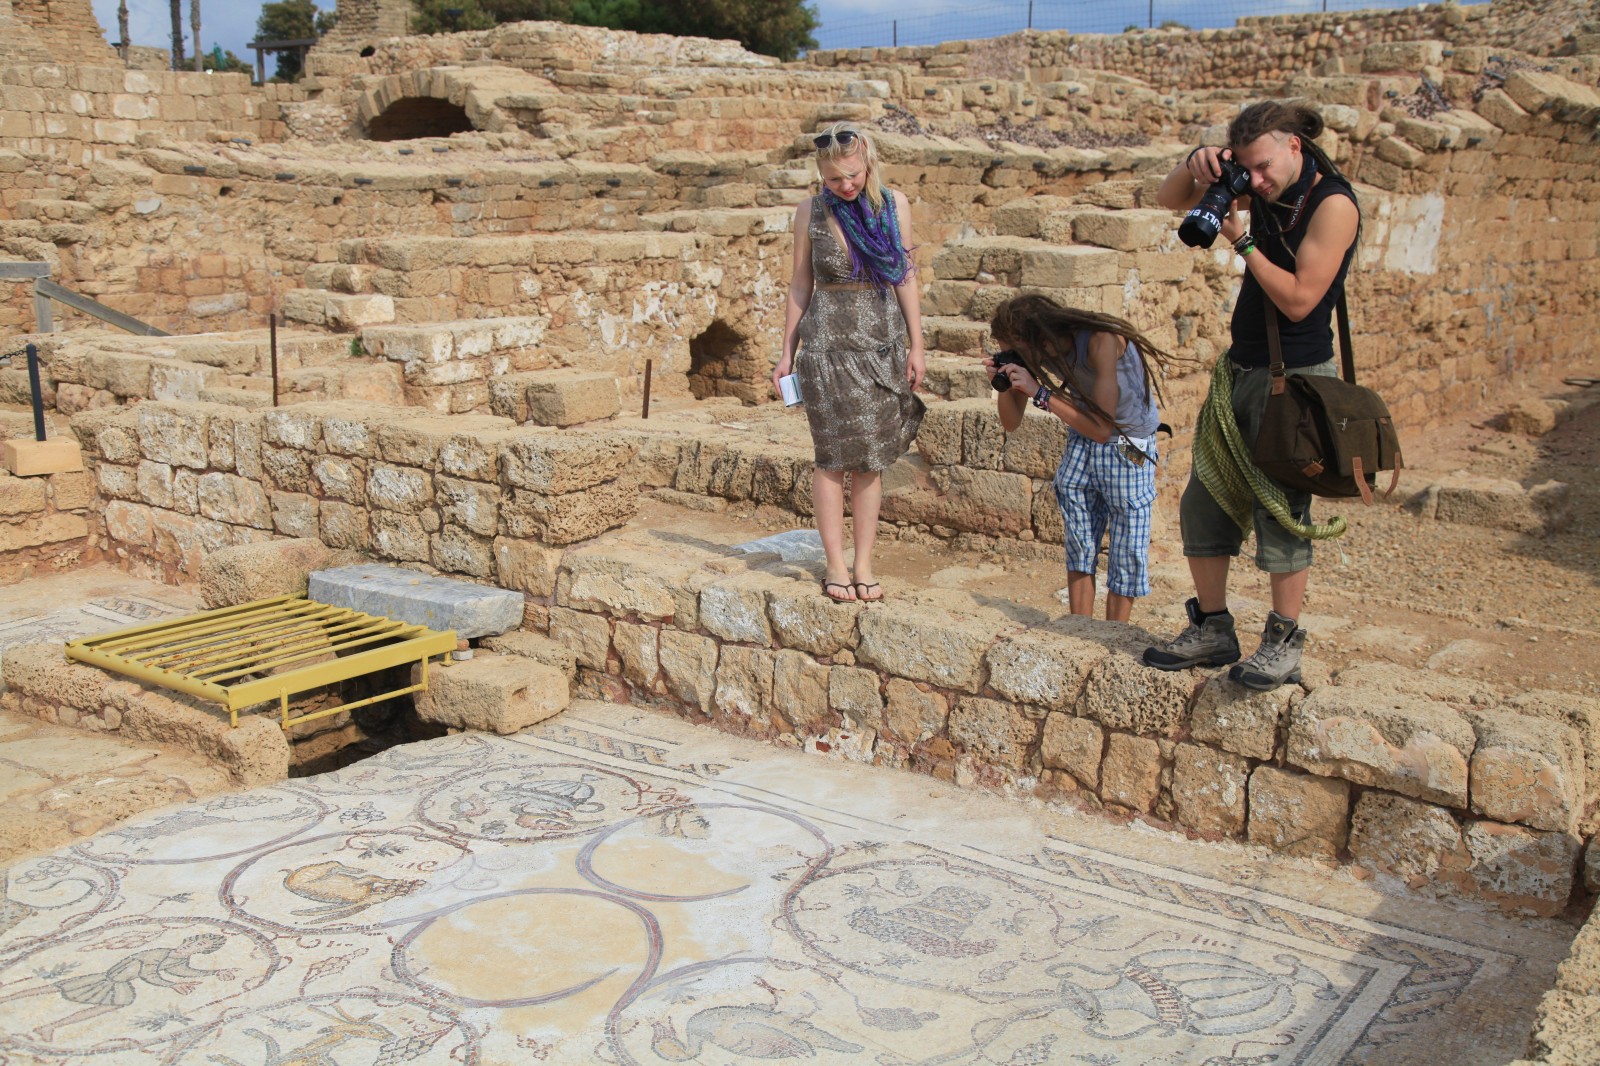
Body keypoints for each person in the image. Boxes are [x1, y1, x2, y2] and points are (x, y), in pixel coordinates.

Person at [1142, 100, 1361, 691]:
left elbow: (1297, 299)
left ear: (1294, 146)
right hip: (1242, 369)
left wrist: (1242, 244)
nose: (1256, 181)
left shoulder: (1332, 204)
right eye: (1248, 170)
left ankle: (1284, 639)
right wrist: (1198, 166)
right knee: (1202, 501)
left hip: (1298, 376)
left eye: (1263, 168)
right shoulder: (1263, 185)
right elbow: (1170, 199)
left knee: (1282, 510)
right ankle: (1213, 627)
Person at [774, 121, 926, 603]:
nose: (845, 186)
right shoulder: (810, 212)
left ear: (870, 165)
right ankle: (835, 565)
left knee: (871, 460)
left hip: (881, 346)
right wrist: (786, 351)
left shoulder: (892, 206)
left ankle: (864, 563)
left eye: (854, 175)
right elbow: (801, 285)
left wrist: (917, 345)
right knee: (832, 457)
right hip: (826, 350)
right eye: (835, 178)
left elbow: (904, 276)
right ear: (821, 174)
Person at [985, 295, 1173, 622]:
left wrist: (1040, 393)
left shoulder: (1102, 340)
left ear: (1036, 339)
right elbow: (1011, 422)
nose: (1018, 357)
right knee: (1080, 541)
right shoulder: (1037, 349)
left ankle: (1115, 635)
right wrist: (1004, 384)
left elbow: (1103, 428)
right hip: (1082, 440)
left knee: (1126, 546)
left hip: (1127, 445)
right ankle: (1079, 630)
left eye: (1016, 351)